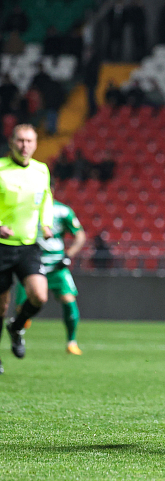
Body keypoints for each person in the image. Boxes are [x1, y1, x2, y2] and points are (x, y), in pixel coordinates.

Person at [0, 124, 54, 374]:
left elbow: (46, 198)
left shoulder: (41, 170)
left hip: (28, 245)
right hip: (2, 246)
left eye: (29, 141)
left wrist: (46, 223)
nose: (25, 146)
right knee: (1, 307)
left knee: (39, 296)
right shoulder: (1, 169)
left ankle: (17, 326)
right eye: (20, 140)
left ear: (35, 144)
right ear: (11, 142)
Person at [14, 198, 86, 355]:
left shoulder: (63, 210)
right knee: (21, 307)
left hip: (56, 265)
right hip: (32, 263)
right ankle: (18, 336)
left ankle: (71, 342)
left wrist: (69, 255)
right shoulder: (27, 207)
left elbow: (80, 235)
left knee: (69, 300)